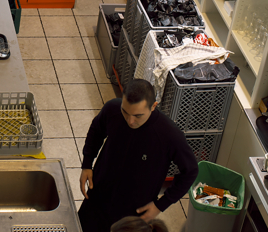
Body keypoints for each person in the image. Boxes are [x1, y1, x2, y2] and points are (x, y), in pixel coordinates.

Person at [78, 79, 197, 232]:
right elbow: (97, 129)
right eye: (125, 112)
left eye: (138, 116)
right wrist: (87, 163)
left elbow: (190, 171)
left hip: (133, 211)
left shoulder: (169, 135)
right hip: (99, 195)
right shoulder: (112, 109)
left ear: (153, 106)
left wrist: (161, 205)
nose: (130, 121)